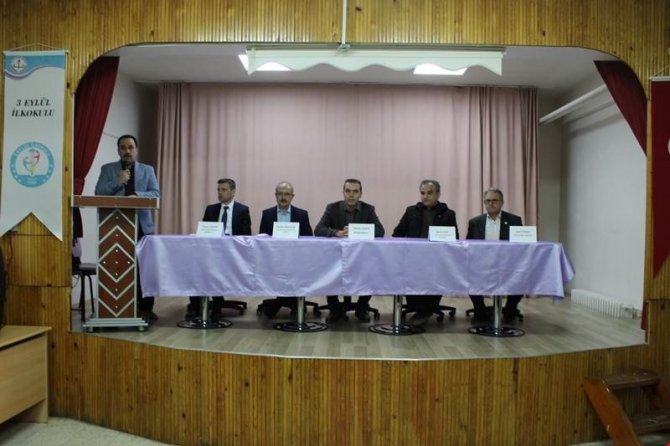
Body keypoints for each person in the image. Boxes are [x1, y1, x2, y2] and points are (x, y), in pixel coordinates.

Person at [95, 134, 160, 322]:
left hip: (141, 226)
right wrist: (119, 181)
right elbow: (99, 192)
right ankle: (117, 306)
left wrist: (138, 195)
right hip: (113, 226)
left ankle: (146, 308)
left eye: (131, 147)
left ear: (136, 150)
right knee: (118, 264)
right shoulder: (107, 169)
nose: (127, 151)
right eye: (123, 148)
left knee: (144, 268)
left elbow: (156, 193)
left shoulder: (147, 170)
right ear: (118, 150)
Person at [314, 178, 385, 323]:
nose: (351, 195)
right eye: (348, 191)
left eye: (355, 191)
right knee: (329, 274)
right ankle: (334, 310)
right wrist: (336, 232)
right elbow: (318, 229)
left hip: (361, 257)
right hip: (337, 257)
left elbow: (380, 231)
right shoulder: (332, 208)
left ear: (360, 194)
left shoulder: (368, 209)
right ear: (343, 193)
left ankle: (361, 309)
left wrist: (356, 231)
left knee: (371, 272)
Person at [392, 179, 459, 328]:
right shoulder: (411, 211)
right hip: (413, 258)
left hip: (437, 259)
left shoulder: (448, 214)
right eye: (423, 193)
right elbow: (397, 234)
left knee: (436, 275)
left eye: (430, 193)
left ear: (438, 194)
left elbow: (454, 238)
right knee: (410, 274)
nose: (425, 196)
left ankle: (426, 310)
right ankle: (419, 310)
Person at [185, 178, 251, 321]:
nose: (220, 193)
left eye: (224, 190)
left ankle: (216, 306)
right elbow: (203, 232)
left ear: (233, 192)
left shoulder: (242, 210)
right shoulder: (211, 209)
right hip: (211, 251)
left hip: (232, 253)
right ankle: (196, 306)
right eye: (218, 190)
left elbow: (246, 237)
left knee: (215, 268)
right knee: (196, 267)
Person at [467, 188, 524, 323]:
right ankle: (480, 311)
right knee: (468, 276)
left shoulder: (514, 220)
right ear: (484, 202)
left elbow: (521, 246)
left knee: (522, 277)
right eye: (487, 201)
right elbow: (469, 245)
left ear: (502, 202)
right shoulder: (475, 222)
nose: (491, 204)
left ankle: (510, 310)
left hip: (508, 264)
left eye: (494, 200)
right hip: (482, 265)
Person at [258, 181, 313, 317]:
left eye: (287, 194)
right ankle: (285, 301)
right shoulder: (267, 214)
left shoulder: (301, 214)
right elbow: (262, 239)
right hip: (273, 259)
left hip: (296, 259)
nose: (283, 197)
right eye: (280, 194)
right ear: (275, 195)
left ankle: (292, 301)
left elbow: (309, 239)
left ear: (292, 196)